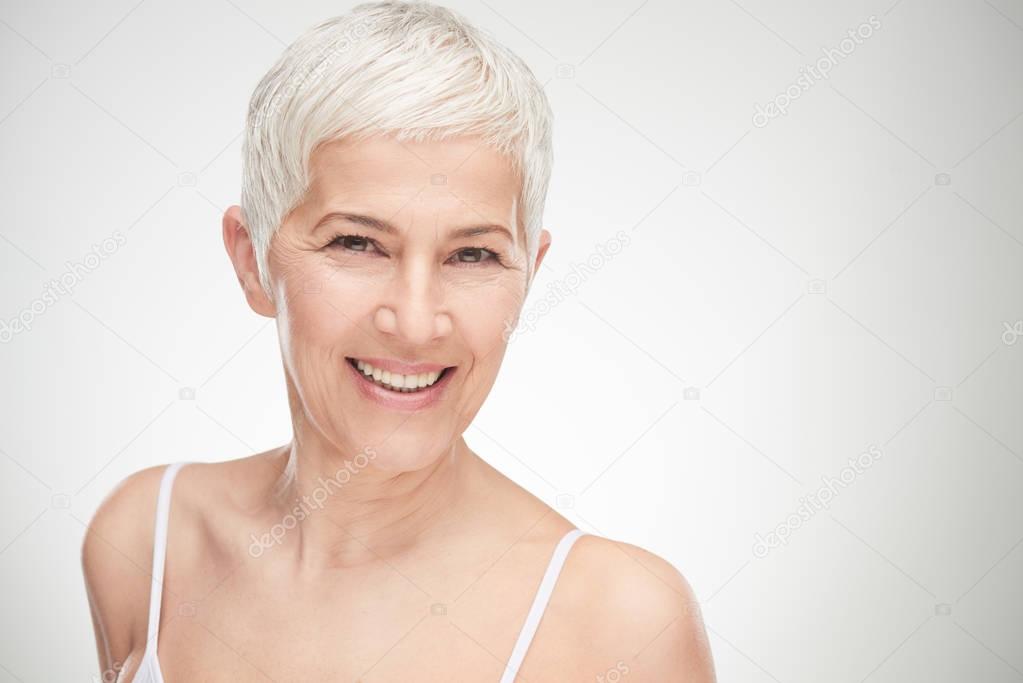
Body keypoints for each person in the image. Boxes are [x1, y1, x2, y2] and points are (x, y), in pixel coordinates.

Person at [82, 2, 716, 680]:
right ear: (251, 262)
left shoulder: (622, 623)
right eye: (357, 243)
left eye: (472, 255)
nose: (416, 323)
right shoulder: (146, 541)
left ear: (529, 274)